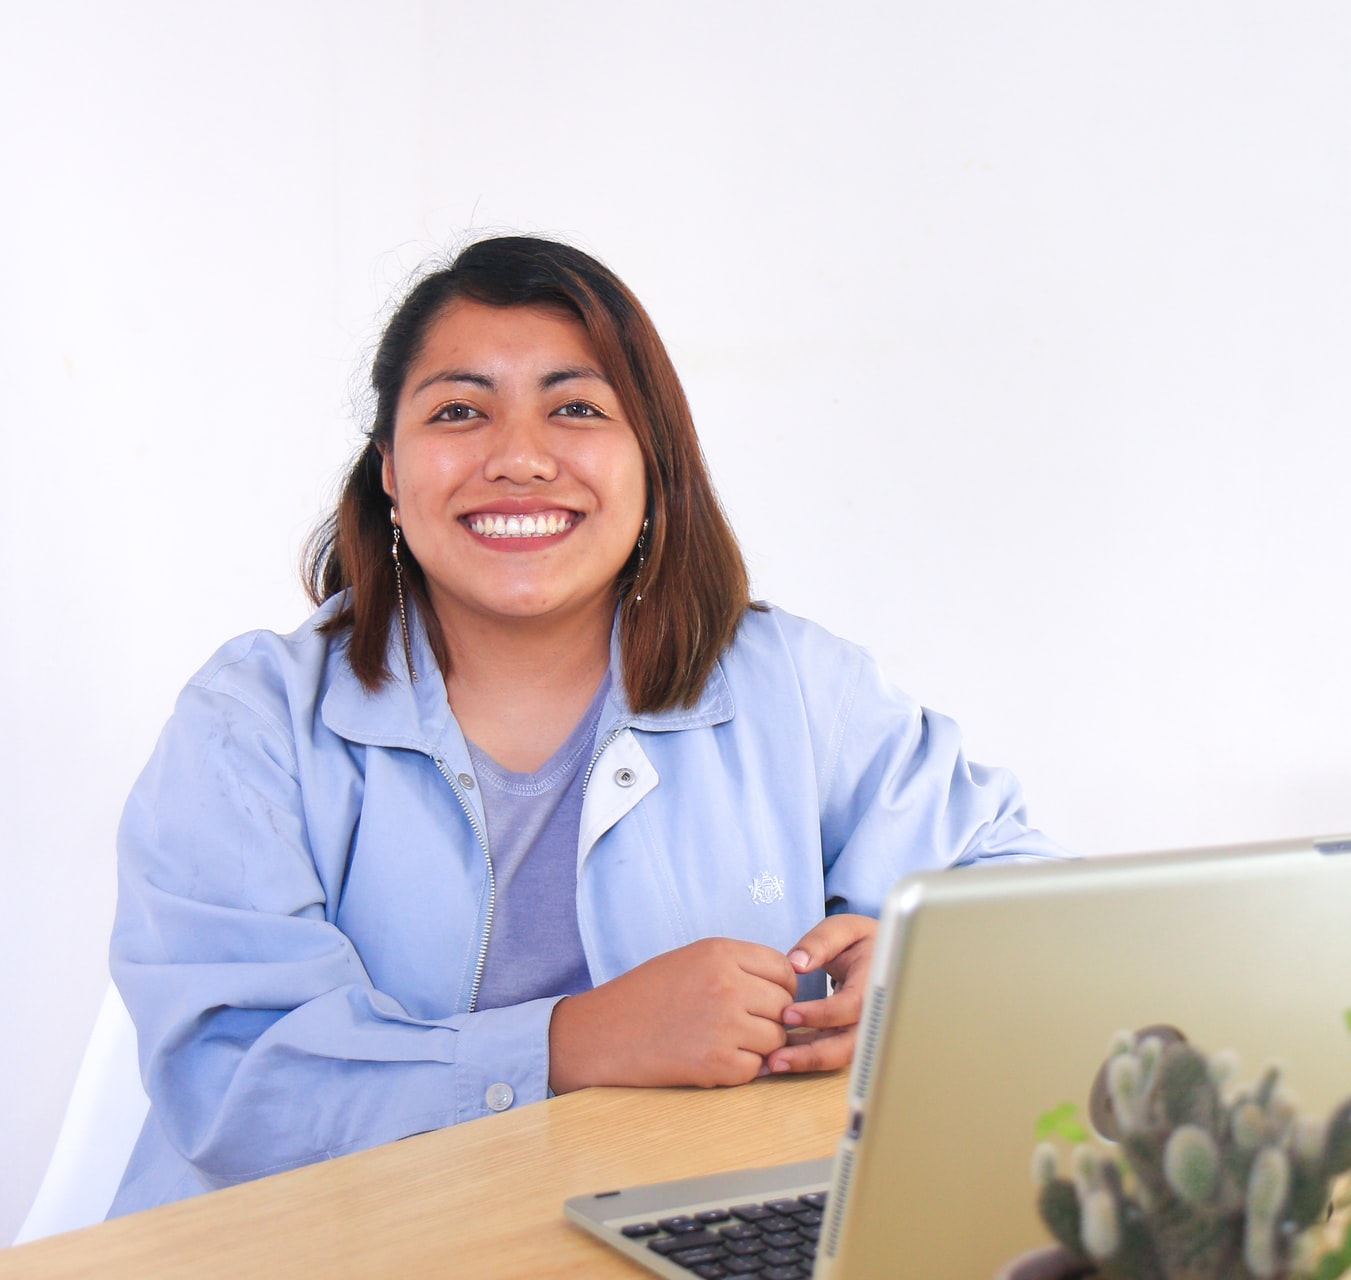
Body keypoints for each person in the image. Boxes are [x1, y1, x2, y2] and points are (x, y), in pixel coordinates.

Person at [108, 236, 1067, 1215]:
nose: (519, 456)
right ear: (390, 472)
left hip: (671, 1234)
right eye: (458, 410)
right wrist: (576, 1041)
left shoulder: (793, 683)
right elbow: (235, 1087)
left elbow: (1029, 900)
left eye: (575, 407)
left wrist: (914, 968)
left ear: (653, 461)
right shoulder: (251, 723)